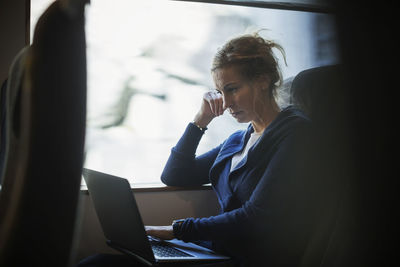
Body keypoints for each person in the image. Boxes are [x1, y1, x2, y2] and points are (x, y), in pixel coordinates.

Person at [145, 32, 317, 267]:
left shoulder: (295, 134)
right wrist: (201, 119)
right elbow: (174, 175)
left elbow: (254, 218)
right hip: (217, 251)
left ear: (263, 81)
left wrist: (177, 230)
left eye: (232, 89)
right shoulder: (238, 140)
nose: (225, 104)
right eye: (220, 92)